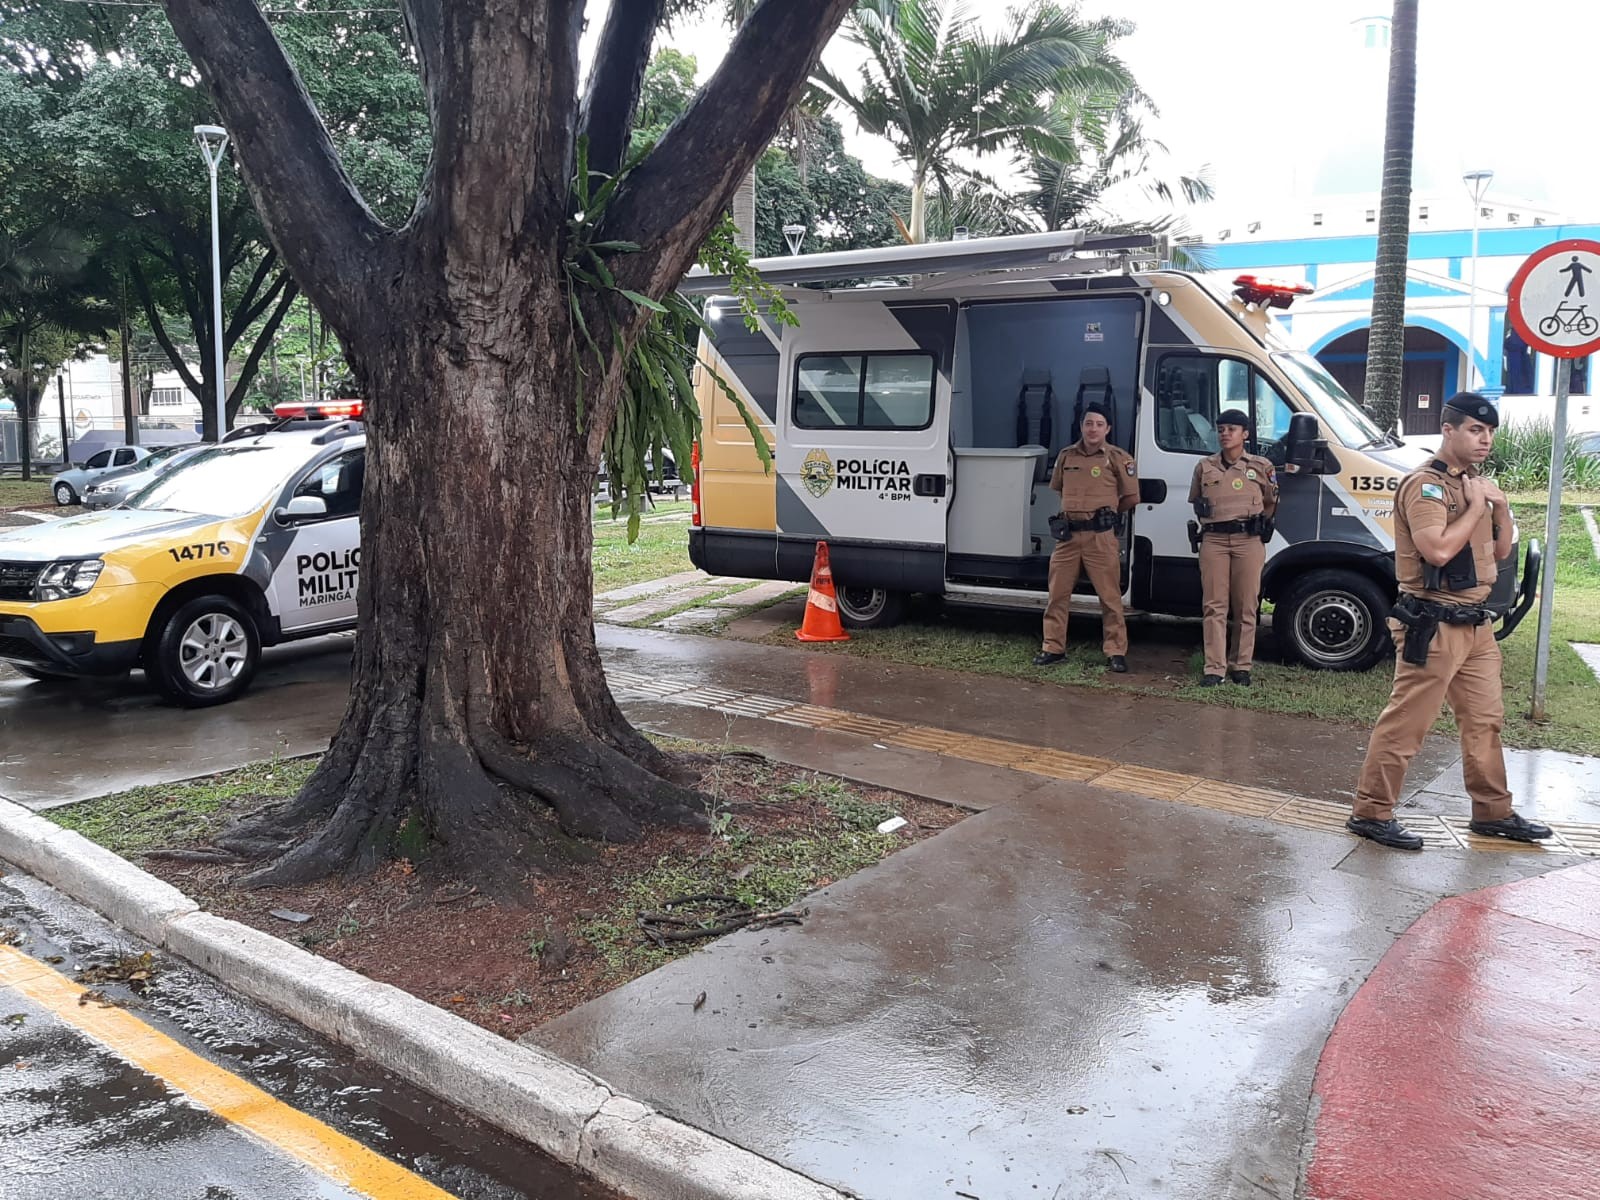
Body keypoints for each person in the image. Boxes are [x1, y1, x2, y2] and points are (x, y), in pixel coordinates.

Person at [1347, 393, 1551, 851]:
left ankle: (1492, 811)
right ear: (1449, 430)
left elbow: (1499, 556)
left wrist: (1497, 507)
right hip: (1434, 623)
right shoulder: (1426, 486)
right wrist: (1479, 507)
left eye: (1490, 433)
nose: (1486, 440)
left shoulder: (1474, 484)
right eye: (1476, 431)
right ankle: (1371, 811)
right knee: (1407, 722)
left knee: (1485, 721)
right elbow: (1437, 550)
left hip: (1476, 626)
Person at [1034, 403, 1138, 672]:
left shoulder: (1118, 458)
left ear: (1108, 429)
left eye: (1099, 424)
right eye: (1088, 423)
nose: (1093, 429)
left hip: (1100, 538)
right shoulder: (1066, 456)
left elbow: (1132, 497)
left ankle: (1115, 651)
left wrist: (1109, 515)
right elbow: (1058, 488)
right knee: (1057, 595)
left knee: (1110, 598)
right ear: (1081, 426)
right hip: (1068, 537)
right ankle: (1053, 648)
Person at [1188, 409, 1278, 687]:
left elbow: (1271, 502)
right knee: (1214, 605)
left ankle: (1241, 665)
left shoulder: (1262, 466)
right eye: (1222, 429)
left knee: (1246, 606)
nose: (1225, 433)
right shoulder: (1205, 466)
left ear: (1245, 434)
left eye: (1232, 429)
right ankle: (1214, 668)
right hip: (1214, 540)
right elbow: (1196, 500)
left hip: (1247, 540)